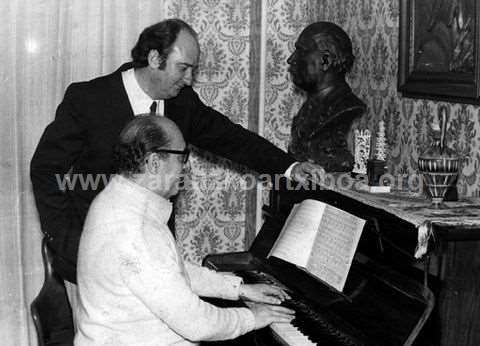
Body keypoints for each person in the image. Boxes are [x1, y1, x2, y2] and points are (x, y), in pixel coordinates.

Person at [30, 18, 325, 286]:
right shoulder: (88, 99)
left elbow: (231, 138)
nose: (188, 80)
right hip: (91, 262)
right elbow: (45, 170)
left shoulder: (182, 103)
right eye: (183, 68)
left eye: (192, 71)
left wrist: (290, 167)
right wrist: (69, 242)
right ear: (155, 58)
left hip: (152, 264)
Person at [74, 115, 295, 345]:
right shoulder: (136, 229)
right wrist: (252, 317)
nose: (186, 166)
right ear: (153, 163)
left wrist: (239, 289)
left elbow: (172, 272)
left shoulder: (116, 199)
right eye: (182, 156)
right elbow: (198, 324)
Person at [287, 21, 366, 172]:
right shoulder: (310, 106)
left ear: (325, 60)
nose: (291, 59)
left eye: (300, 51)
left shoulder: (347, 108)